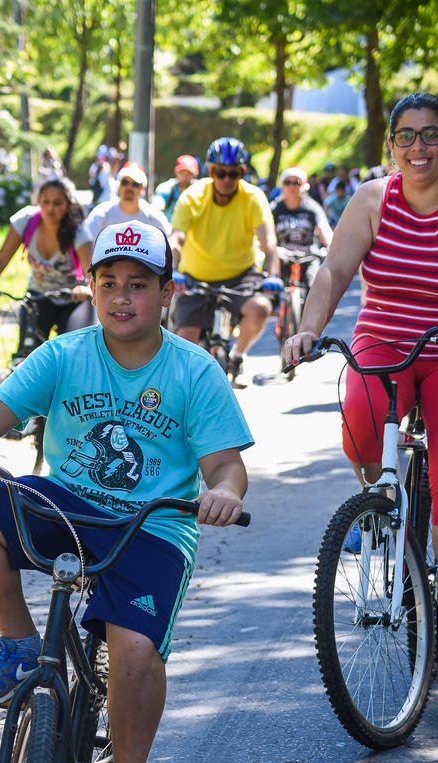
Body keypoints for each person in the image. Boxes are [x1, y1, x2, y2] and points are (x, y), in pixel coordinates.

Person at [0, 219, 253, 763]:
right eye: (108, 283)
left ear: (167, 292)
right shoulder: (68, 354)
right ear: (90, 287)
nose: (122, 297)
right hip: (66, 503)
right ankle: (17, 645)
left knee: (135, 657)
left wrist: (225, 493)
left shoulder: (193, 371)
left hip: (152, 523)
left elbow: (226, 466)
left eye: (139, 285)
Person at [283, 91, 438, 561]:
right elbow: (333, 271)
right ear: (392, 145)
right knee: (362, 422)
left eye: (431, 135)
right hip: (384, 339)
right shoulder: (374, 199)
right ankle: (381, 505)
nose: (419, 148)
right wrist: (307, 328)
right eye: (407, 136)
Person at [169, 136, 281, 387]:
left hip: (241, 275)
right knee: (184, 337)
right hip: (195, 276)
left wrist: (273, 275)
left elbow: (268, 242)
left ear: (242, 172)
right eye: (220, 173)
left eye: (234, 173)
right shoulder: (192, 196)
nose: (227, 179)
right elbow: (176, 239)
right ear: (211, 171)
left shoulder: (253, 197)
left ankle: (237, 356)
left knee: (260, 307)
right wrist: (171, 270)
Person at [0, 177, 96, 336]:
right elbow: (0, 259)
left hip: (73, 299)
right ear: (38, 202)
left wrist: (85, 289)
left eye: (57, 203)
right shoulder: (25, 221)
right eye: (45, 201)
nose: (50, 208)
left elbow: (92, 274)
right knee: (29, 349)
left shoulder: (78, 231)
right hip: (38, 296)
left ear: (68, 206)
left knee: (72, 348)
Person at [270, 165, 332, 291]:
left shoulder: (312, 207)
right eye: (288, 182)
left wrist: (331, 247)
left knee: (315, 285)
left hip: (308, 256)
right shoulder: (275, 208)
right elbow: (265, 231)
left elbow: (324, 228)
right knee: (272, 287)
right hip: (282, 256)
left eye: (296, 182)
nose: (292, 186)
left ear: (303, 185)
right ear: (282, 185)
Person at [84, 161, 171, 241]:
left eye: (135, 184)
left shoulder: (153, 217)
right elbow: (86, 243)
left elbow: (169, 243)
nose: (129, 187)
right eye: (125, 182)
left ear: (142, 189)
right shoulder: (101, 214)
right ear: (119, 185)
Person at [152, 154, 199, 221]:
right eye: (182, 172)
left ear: (195, 174)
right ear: (176, 172)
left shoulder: (200, 190)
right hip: (170, 230)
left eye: (189, 173)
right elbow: (156, 206)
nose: (185, 176)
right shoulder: (166, 188)